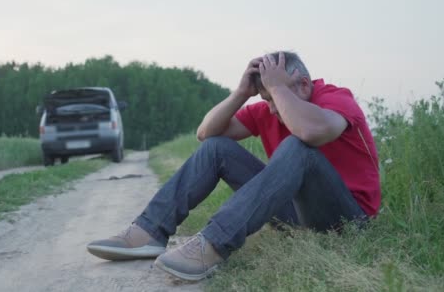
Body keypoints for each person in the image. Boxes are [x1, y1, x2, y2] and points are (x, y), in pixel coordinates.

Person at [86, 51, 381, 281]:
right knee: (216, 147)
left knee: (298, 146)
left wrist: (277, 88)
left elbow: (312, 133)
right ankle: (149, 232)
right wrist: (242, 93)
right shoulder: (269, 106)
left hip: (347, 218)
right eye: (267, 98)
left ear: (303, 84)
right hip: (296, 213)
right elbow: (205, 133)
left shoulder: (336, 98)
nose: (273, 108)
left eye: (278, 96)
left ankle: (213, 244)